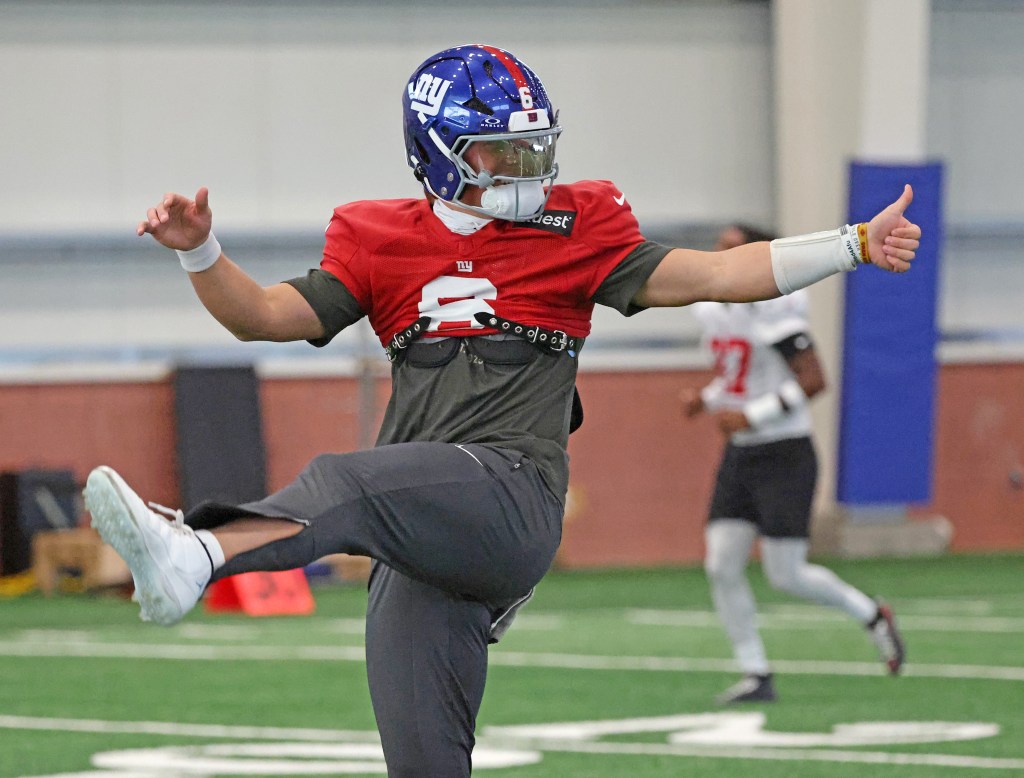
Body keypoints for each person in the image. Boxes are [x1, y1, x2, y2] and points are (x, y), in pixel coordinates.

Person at [83, 44, 920, 777]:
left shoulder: (579, 223)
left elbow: (716, 275)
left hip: (513, 494)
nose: (526, 170)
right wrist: (200, 249)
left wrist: (850, 243)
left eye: (534, 149)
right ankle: (193, 554)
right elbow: (263, 317)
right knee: (422, 761)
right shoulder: (377, 236)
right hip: (419, 539)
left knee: (346, 479)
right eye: (500, 153)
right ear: (439, 156)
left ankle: (194, 551)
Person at [680, 223, 907, 705]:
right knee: (721, 563)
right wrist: (707, 398)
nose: (718, 258)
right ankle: (755, 672)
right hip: (742, 453)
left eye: (730, 250)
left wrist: (751, 415)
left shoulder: (772, 308)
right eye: (716, 247)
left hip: (785, 451)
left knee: (787, 573)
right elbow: (742, 375)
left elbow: (813, 380)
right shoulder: (714, 310)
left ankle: (870, 614)